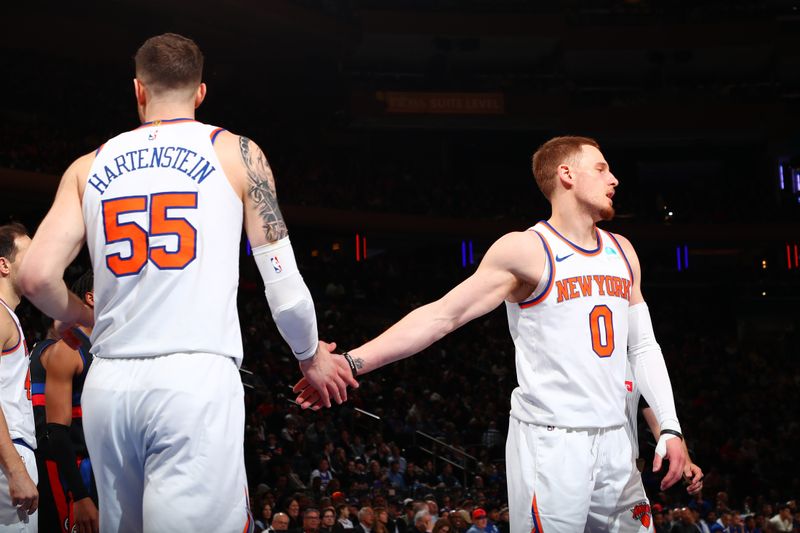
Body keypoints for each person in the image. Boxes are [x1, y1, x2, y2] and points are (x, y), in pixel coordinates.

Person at [18, 33, 357, 532]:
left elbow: (35, 276)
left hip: (110, 386)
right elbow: (284, 288)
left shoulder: (87, 166)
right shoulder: (238, 153)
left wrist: (81, 316)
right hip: (193, 378)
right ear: (201, 93)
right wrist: (311, 356)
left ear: (138, 90)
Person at [295, 136, 690, 531]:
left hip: (617, 441)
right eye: (602, 168)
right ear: (566, 174)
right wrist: (350, 361)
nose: (614, 179)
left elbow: (641, 347)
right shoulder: (526, 250)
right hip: (553, 443)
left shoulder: (623, 251)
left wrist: (670, 426)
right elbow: (442, 316)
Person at [29, 270, 98, 533]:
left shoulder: (106, 347)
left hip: (103, 465)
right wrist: (79, 496)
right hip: (75, 471)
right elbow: (56, 432)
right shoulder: (68, 349)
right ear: (91, 298)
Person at [0, 223, 38, 530]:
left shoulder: (7, 315)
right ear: (4, 264)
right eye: (30, 253)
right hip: (8, 454)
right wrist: (15, 469)